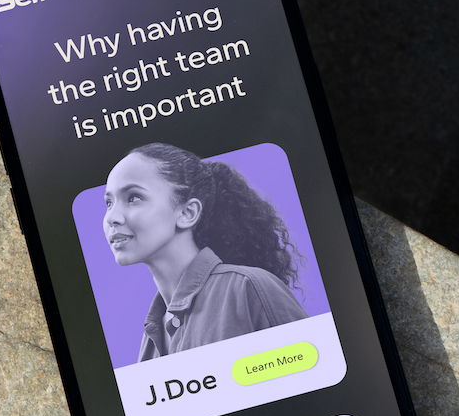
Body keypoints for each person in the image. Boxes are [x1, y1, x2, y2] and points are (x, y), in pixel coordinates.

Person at [102, 143, 307, 360]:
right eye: (109, 203)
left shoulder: (249, 287)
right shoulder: (152, 335)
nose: (111, 217)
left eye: (133, 198)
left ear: (187, 213)